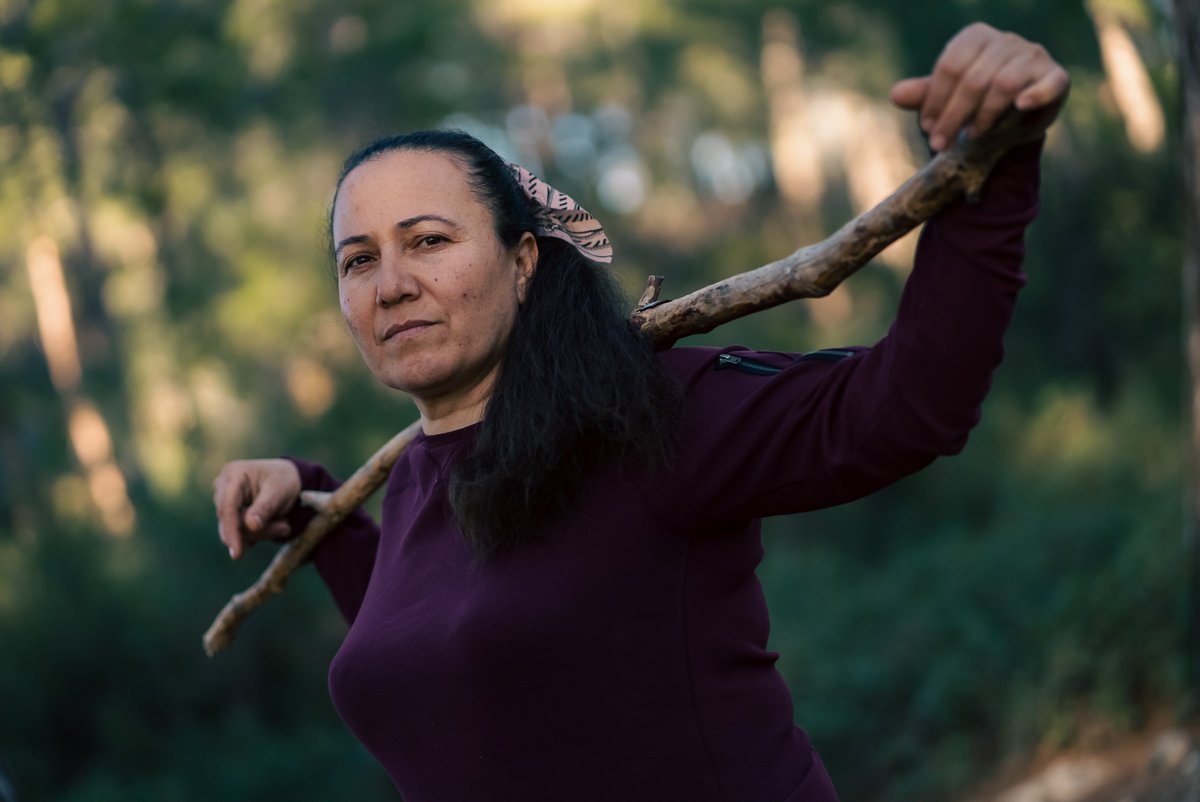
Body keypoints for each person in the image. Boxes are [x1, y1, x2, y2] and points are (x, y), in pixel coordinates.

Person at [213, 23, 1069, 802]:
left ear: (522, 263)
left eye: (429, 240)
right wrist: (313, 501)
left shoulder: (647, 416)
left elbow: (906, 409)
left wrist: (990, 167)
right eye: (358, 260)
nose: (391, 283)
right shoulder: (410, 486)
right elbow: (444, 650)